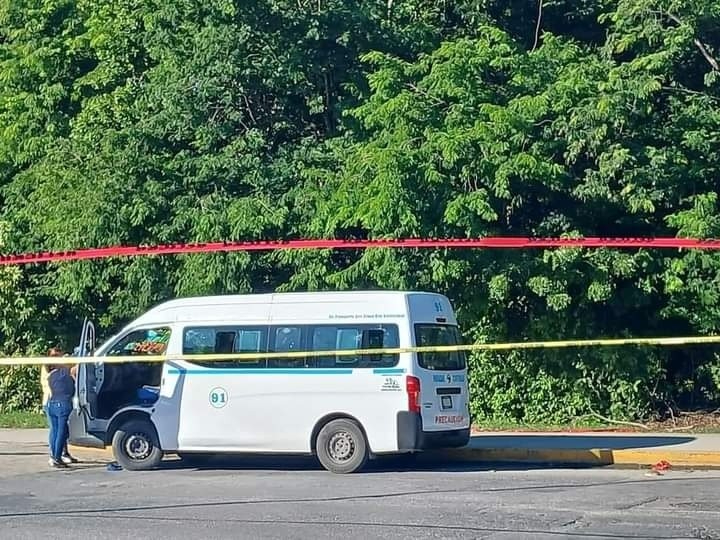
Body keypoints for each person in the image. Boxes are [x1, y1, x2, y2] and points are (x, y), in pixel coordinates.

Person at [41, 348, 78, 467]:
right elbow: (75, 369)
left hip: (52, 402)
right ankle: (57, 456)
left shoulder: (51, 375)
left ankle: (56, 455)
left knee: (56, 431)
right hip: (61, 404)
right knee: (61, 432)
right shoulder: (64, 372)